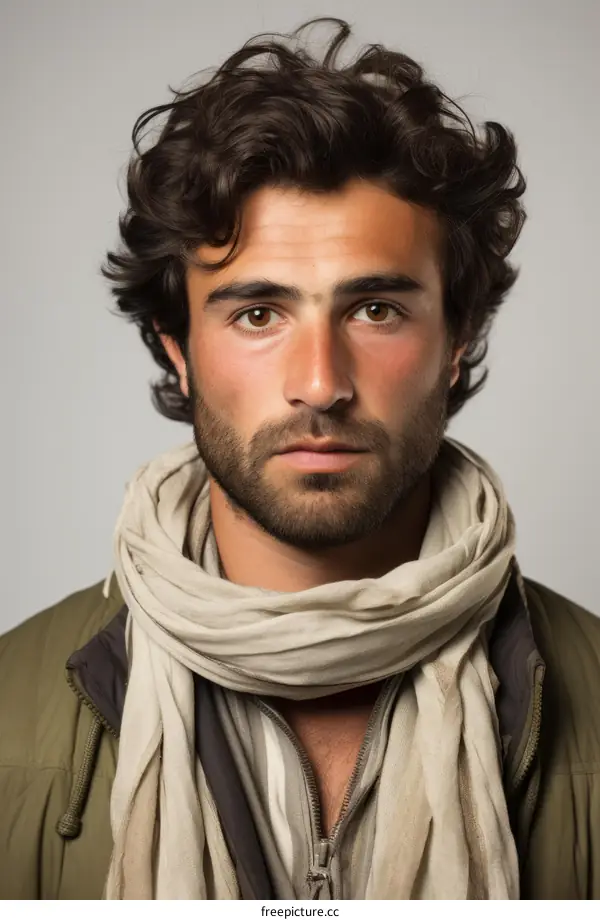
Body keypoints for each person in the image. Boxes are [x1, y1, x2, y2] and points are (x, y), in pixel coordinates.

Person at [1, 16, 598, 902]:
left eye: (376, 311)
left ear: (459, 338)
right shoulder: (10, 717)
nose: (320, 383)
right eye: (257, 314)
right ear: (176, 346)